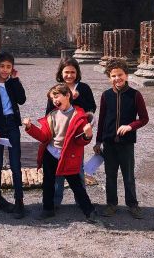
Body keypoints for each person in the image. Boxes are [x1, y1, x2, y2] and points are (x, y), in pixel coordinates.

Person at [23, 83, 99, 224]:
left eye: (57, 96)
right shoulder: (52, 115)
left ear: (67, 95)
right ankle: (48, 209)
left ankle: (89, 211)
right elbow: (44, 137)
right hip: (51, 154)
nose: (54, 100)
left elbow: (80, 142)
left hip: (68, 156)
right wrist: (30, 127)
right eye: (52, 99)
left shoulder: (79, 116)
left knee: (76, 184)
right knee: (48, 183)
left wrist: (87, 136)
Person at [93, 58, 149, 219]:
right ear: (109, 77)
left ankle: (133, 205)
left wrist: (131, 126)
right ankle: (111, 204)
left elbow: (144, 118)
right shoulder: (106, 95)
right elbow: (102, 119)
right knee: (110, 175)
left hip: (126, 143)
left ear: (126, 75)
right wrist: (98, 141)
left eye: (120, 75)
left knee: (128, 176)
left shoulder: (135, 95)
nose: (117, 78)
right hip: (109, 143)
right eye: (113, 76)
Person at [45, 57, 97, 206]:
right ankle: (56, 200)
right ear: (61, 73)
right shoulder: (56, 90)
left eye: (72, 72)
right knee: (58, 170)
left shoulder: (84, 88)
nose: (69, 75)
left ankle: (81, 201)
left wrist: (78, 100)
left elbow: (91, 108)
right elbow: (49, 112)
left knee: (78, 168)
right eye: (66, 72)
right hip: (59, 134)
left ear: (77, 73)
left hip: (76, 136)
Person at [0, 51, 26, 219]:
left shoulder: (12, 82)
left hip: (12, 125)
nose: (5, 70)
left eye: (8, 67)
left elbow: (21, 99)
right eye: (2, 66)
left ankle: (19, 200)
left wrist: (15, 80)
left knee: (16, 163)